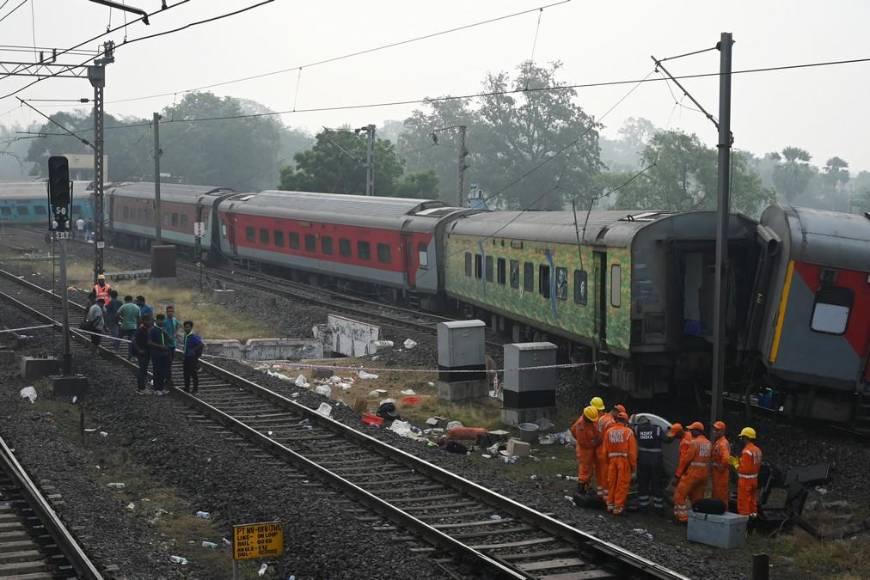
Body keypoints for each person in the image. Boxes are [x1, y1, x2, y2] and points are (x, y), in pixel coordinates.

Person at [673, 422, 711, 523]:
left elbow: (686, 460)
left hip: (692, 474)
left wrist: (678, 475)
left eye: (692, 430)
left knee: (679, 495)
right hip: (704, 476)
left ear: (697, 431)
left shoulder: (695, 443)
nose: (690, 431)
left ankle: (683, 519)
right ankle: (697, 519)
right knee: (697, 499)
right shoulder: (708, 443)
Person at [604, 411, 637, 515]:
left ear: (616, 420)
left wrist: (607, 462)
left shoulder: (609, 432)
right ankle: (618, 508)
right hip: (623, 461)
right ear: (626, 421)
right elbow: (632, 452)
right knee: (622, 485)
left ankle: (610, 505)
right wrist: (633, 467)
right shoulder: (628, 432)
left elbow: (604, 451)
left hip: (612, 461)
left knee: (612, 483)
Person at [634, 415, 665, 512]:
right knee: (657, 483)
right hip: (655, 461)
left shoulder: (637, 429)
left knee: (643, 483)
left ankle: (644, 506)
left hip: (642, 460)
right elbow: (667, 440)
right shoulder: (657, 429)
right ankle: (658, 507)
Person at [570, 405, 600, 493]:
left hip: (589, 447)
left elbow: (595, 428)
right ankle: (581, 488)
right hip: (584, 451)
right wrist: (594, 443)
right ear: (586, 417)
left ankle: (587, 485)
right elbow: (583, 443)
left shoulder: (591, 420)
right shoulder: (580, 427)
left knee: (589, 468)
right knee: (585, 469)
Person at [734, 427, 762, 517]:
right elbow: (752, 465)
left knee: (743, 503)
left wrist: (735, 464)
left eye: (742, 437)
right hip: (754, 480)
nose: (741, 439)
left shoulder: (746, 451)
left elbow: (744, 470)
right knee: (752, 502)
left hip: (745, 482)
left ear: (746, 438)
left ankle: (744, 523)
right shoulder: (757, 450)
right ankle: (753, 520)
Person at [591, 396, 613, 501]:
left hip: (599, 450)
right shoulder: (607, 419)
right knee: (604, 473)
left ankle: (602, 494)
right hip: (605, 451)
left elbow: (598, 437)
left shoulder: (596, 419)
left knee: (600, 473)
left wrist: (592, 444)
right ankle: (604, 495)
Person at [149, 313, 171, 395]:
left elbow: (169, 339)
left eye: (163, 320)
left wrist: (166, 334)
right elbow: (150, 342)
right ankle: (156, 389)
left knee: (163, 371)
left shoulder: (163, 329)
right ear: (156, 320)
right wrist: (160, 346)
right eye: (160, 320)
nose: (161, 322)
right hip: (156, 353)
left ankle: (161, 388)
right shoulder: (153, 330)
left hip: (165, 353)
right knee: (157, 370)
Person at [711, 420, 732, 507]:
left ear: (723, 431)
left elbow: (726, 459)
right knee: (716, 496)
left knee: (721, 498)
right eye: (715, 429)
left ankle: (723, 515)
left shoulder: (722, 443)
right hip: (717, 475)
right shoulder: (719, 442)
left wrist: (719, 467)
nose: (715, 431)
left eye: (718, 430)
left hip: (721, 476)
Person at [132, 314, 153, 394]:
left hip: (146, 353)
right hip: (142, 353)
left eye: (150, 320)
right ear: (144, 321)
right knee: (142, 370)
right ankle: (141, 388)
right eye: (148, 320)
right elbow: (133, 340)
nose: (150, 322)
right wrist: (139, 350)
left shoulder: (147, 329)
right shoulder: (141, 330)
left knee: (143, 370)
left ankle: (142, 387)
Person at [182, 320, 204, 393]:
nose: (186, 328)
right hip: (186, 357)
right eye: (185, 327)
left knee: (193, 374)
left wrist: (193, 351)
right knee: (186, 373)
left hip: (192, 358)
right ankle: (186, 387)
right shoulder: (186, 336)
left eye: (188, 327)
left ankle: (195, 389)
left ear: (191, 328)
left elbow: (201, 344)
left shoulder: (193, 336)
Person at [163, 305, 181, 384]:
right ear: (166, 312)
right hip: (166, 345)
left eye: (171, 311)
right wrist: (167, 335)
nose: (170, 313)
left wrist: (175, 333)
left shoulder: (174, 320)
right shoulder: (164, 321)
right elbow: (161, 329)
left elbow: (178, 325)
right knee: (168, 362)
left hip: (173, 344)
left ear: (173, 312)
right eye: (168, 311)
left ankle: (167, 377)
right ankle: (168, 379)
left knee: (170, 362)